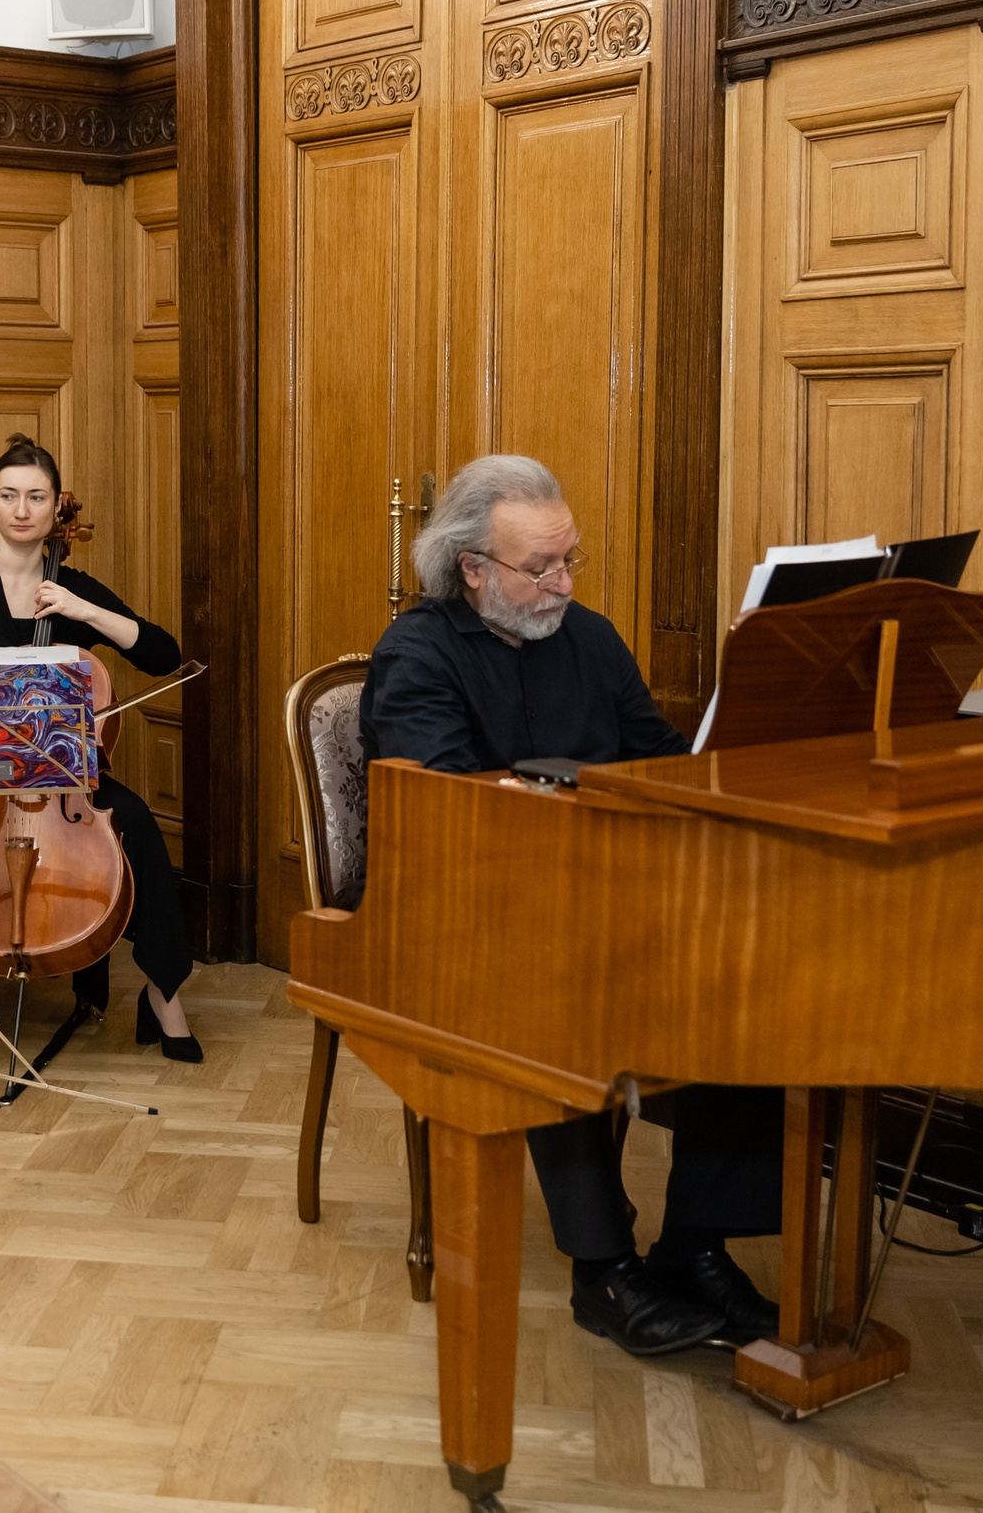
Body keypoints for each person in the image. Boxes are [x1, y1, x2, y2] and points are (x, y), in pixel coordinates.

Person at [361, 454, 784, 1355]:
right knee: (558, 986)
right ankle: (603, 1270)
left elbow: (665, 758)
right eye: (539, 567)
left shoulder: (589, 637)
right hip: (469, 918)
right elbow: (443, 811)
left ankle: (697, 1243)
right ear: (472, 568)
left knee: (754, 975)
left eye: (570, 561)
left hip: (606, 895)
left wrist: (746, 712)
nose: (561, 583)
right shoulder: (417, 652)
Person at [0, 433, 201, 1059]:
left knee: (134, 821)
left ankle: (164, 994)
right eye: (9, 495)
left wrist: (86, 610)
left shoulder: (72, 589)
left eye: (36, 497)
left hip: (58, 777)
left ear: (56, 509)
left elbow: (162, 654)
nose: (22, 509)